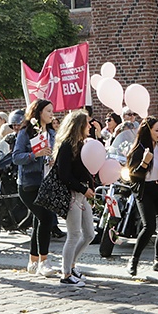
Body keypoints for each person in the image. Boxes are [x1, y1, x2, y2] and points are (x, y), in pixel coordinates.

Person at [12, 99, 58, 277]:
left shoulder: (52, 133)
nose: (51, 114)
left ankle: (32, 261)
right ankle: (44, 262)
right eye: (48, 111)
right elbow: (16, 157)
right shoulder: (26, 132)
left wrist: (52, 159)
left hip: (47, 182)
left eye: (52, 110)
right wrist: (35, 154)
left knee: (39, 221)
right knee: (46, 219)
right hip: (29, 184)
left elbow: (54, 153)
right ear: (38, 113)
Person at [125, 117, 158, 276]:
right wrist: (145, 162)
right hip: (145, 190)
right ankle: (133, 260)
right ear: (148, 131)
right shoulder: (138, 149)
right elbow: (133, 176)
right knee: (149, 227)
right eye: (156, 130)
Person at [53, 109, 96, 286]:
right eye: (87, 123)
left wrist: (90, 188)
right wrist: (82, 188)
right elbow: (64, 175)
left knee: (89, 234)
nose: (90, 125)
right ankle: (65, 274)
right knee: (74, 234)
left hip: (82, 195)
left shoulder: (82, 145)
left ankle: (71, 265)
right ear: (79, 125)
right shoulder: (67, 146)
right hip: (72, 195)